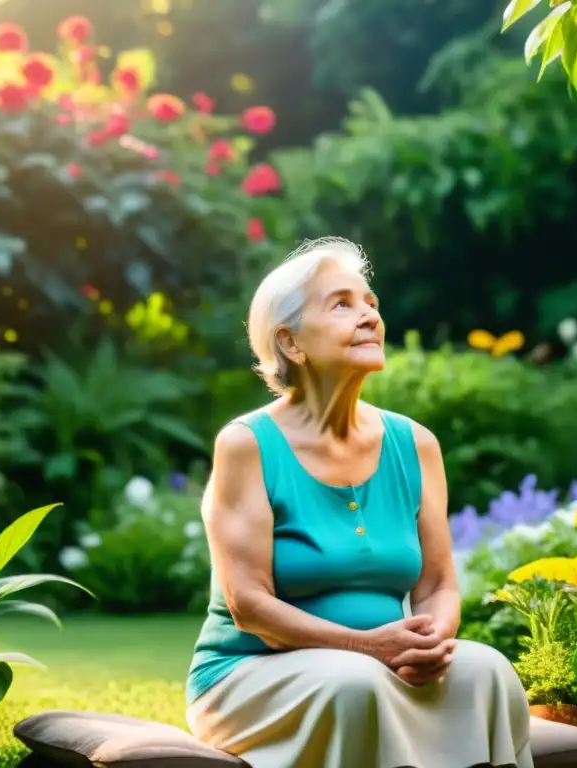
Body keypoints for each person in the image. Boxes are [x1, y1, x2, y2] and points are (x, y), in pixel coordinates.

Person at [186, 237, 533, 767]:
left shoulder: (415, 444)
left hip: (380, 666)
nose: (370, 315)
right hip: (250, 675)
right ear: (291, 343)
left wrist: (429, 640)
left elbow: (438, 584)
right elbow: (249, 606)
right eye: (342, 304)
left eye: (370, 302)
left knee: (487, 669)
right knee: (356, 683)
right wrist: (369, 646)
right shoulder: (247, 445)